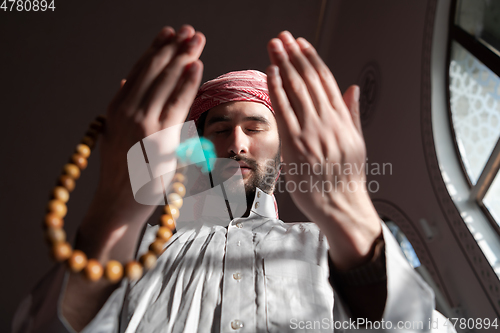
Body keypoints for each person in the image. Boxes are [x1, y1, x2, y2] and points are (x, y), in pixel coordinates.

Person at [13, 25, 454, 333]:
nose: (237, 144)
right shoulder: (138, 246)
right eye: (220, 129)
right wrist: (115, 212)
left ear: (285, 148)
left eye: (256, 127)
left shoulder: (328, 248)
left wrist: (352, 218)